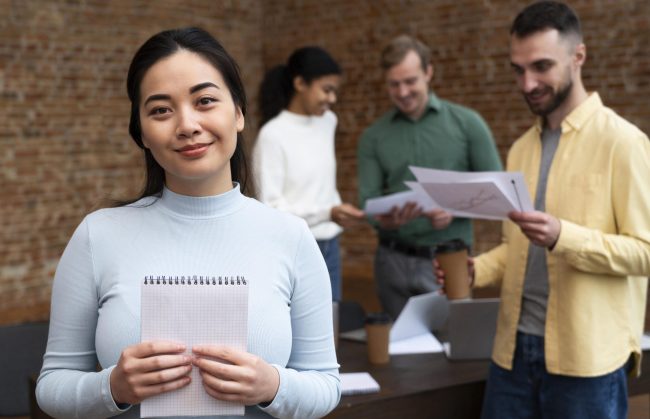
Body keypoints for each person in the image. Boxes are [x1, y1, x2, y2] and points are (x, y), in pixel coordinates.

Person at [36, 27, 340, 419]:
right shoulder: (99, 235)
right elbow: (52, 385)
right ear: (142, 133)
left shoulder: (291, 236)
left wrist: (272, 386)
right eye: (161, 109)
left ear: (240, 113)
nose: (187, 124)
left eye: (205, 101)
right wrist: (111, 387)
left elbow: (326, 385)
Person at [435, 2, 650, 418]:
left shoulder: (624, 144)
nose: (528, 83)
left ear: (578, 57)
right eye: (518, 70)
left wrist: (563, 237)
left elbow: (645, 251)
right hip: (511, 352)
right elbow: (515, 245)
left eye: (541, 66)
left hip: (586, 362)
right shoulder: (520, 148)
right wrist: (481, 269)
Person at [357, 34, 503, 319]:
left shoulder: (468, 123)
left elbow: (496, 191)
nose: (402, 92)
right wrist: (383, 218)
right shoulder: (373, 137)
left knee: (454, 348)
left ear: (428, 72)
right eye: (394, 84)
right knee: (399, 357)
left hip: (449, 259)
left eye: (410, 81)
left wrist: (453, 208)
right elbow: (368, 201)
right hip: (392, 261)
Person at [253, 47, 365, 302]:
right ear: (300, 83)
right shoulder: (272, 135)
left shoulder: (328, 122)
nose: (332, 98)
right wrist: (328, 212)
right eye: (327, 89)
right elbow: (270, 208)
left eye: (335, 90)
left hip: (331, 244)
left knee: (331, 323)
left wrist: (334, 213)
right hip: (294, 249)